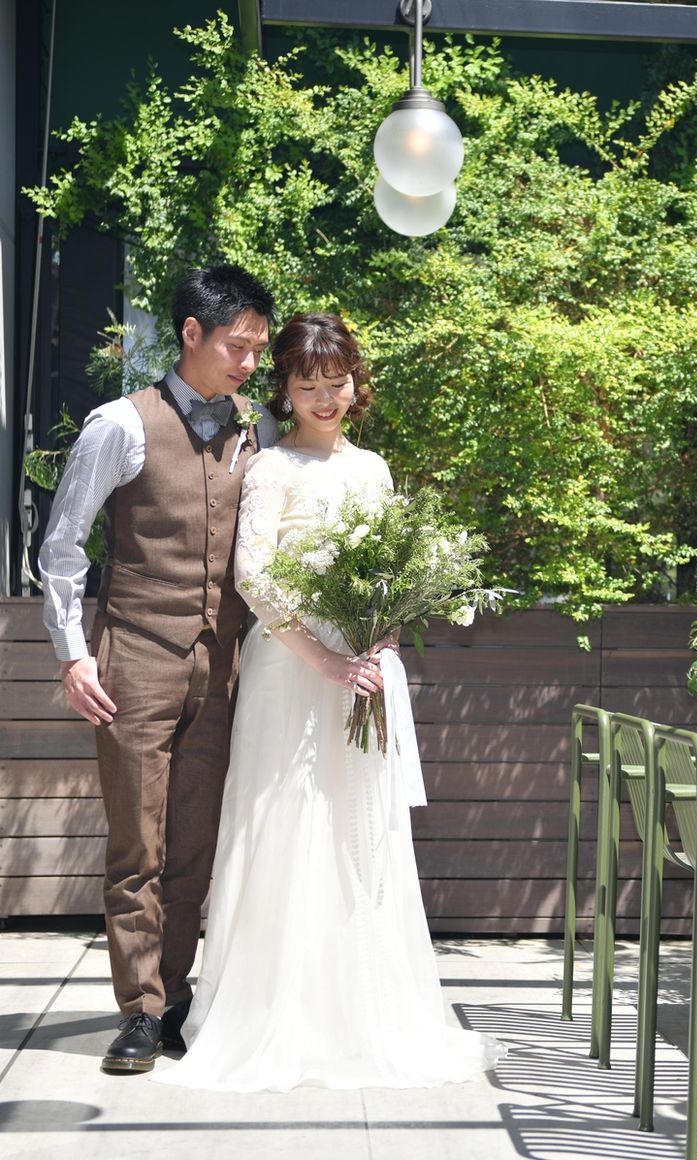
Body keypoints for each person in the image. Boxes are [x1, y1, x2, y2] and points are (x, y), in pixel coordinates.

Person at [153, 312, 502, 1091]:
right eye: (307, 384)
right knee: (285, 822)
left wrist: (382, 646)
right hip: (289, 672)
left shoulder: (374, 470)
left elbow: (390, 573)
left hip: (360, 668)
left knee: (359, 830)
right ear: (285, 388)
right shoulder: (271, 468)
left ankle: (362, 1013)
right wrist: (324, 660)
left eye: (335, 382)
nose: (323, 397)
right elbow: (254, 577)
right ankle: (275, 1013)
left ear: (355, 384)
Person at [38, 264, 278, 1073]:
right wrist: (73, 654)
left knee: (194, 844)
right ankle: (138, 1012)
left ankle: (174, 999)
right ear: (191, 334)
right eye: (238, 346)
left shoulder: (258, 429)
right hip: (135, 656)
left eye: (258, 349)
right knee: (137, 844)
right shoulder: (120, 424)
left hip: (226, 663)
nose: (249, 363)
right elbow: (62, 546)